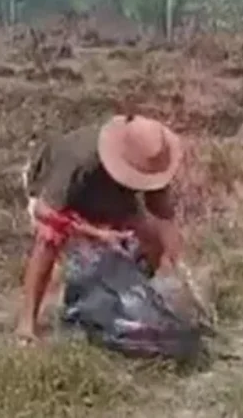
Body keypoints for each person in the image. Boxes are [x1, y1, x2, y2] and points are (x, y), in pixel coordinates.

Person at [14, 113, 195, 344]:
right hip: (61, 200)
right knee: (49, 239)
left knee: (149, 236)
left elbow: (162, 216)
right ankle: (26, 324)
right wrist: (99, 235)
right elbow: (44, 210)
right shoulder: (78, 158)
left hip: (111, 196)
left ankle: (139, 294)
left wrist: (181, 268)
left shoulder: (151, 156)